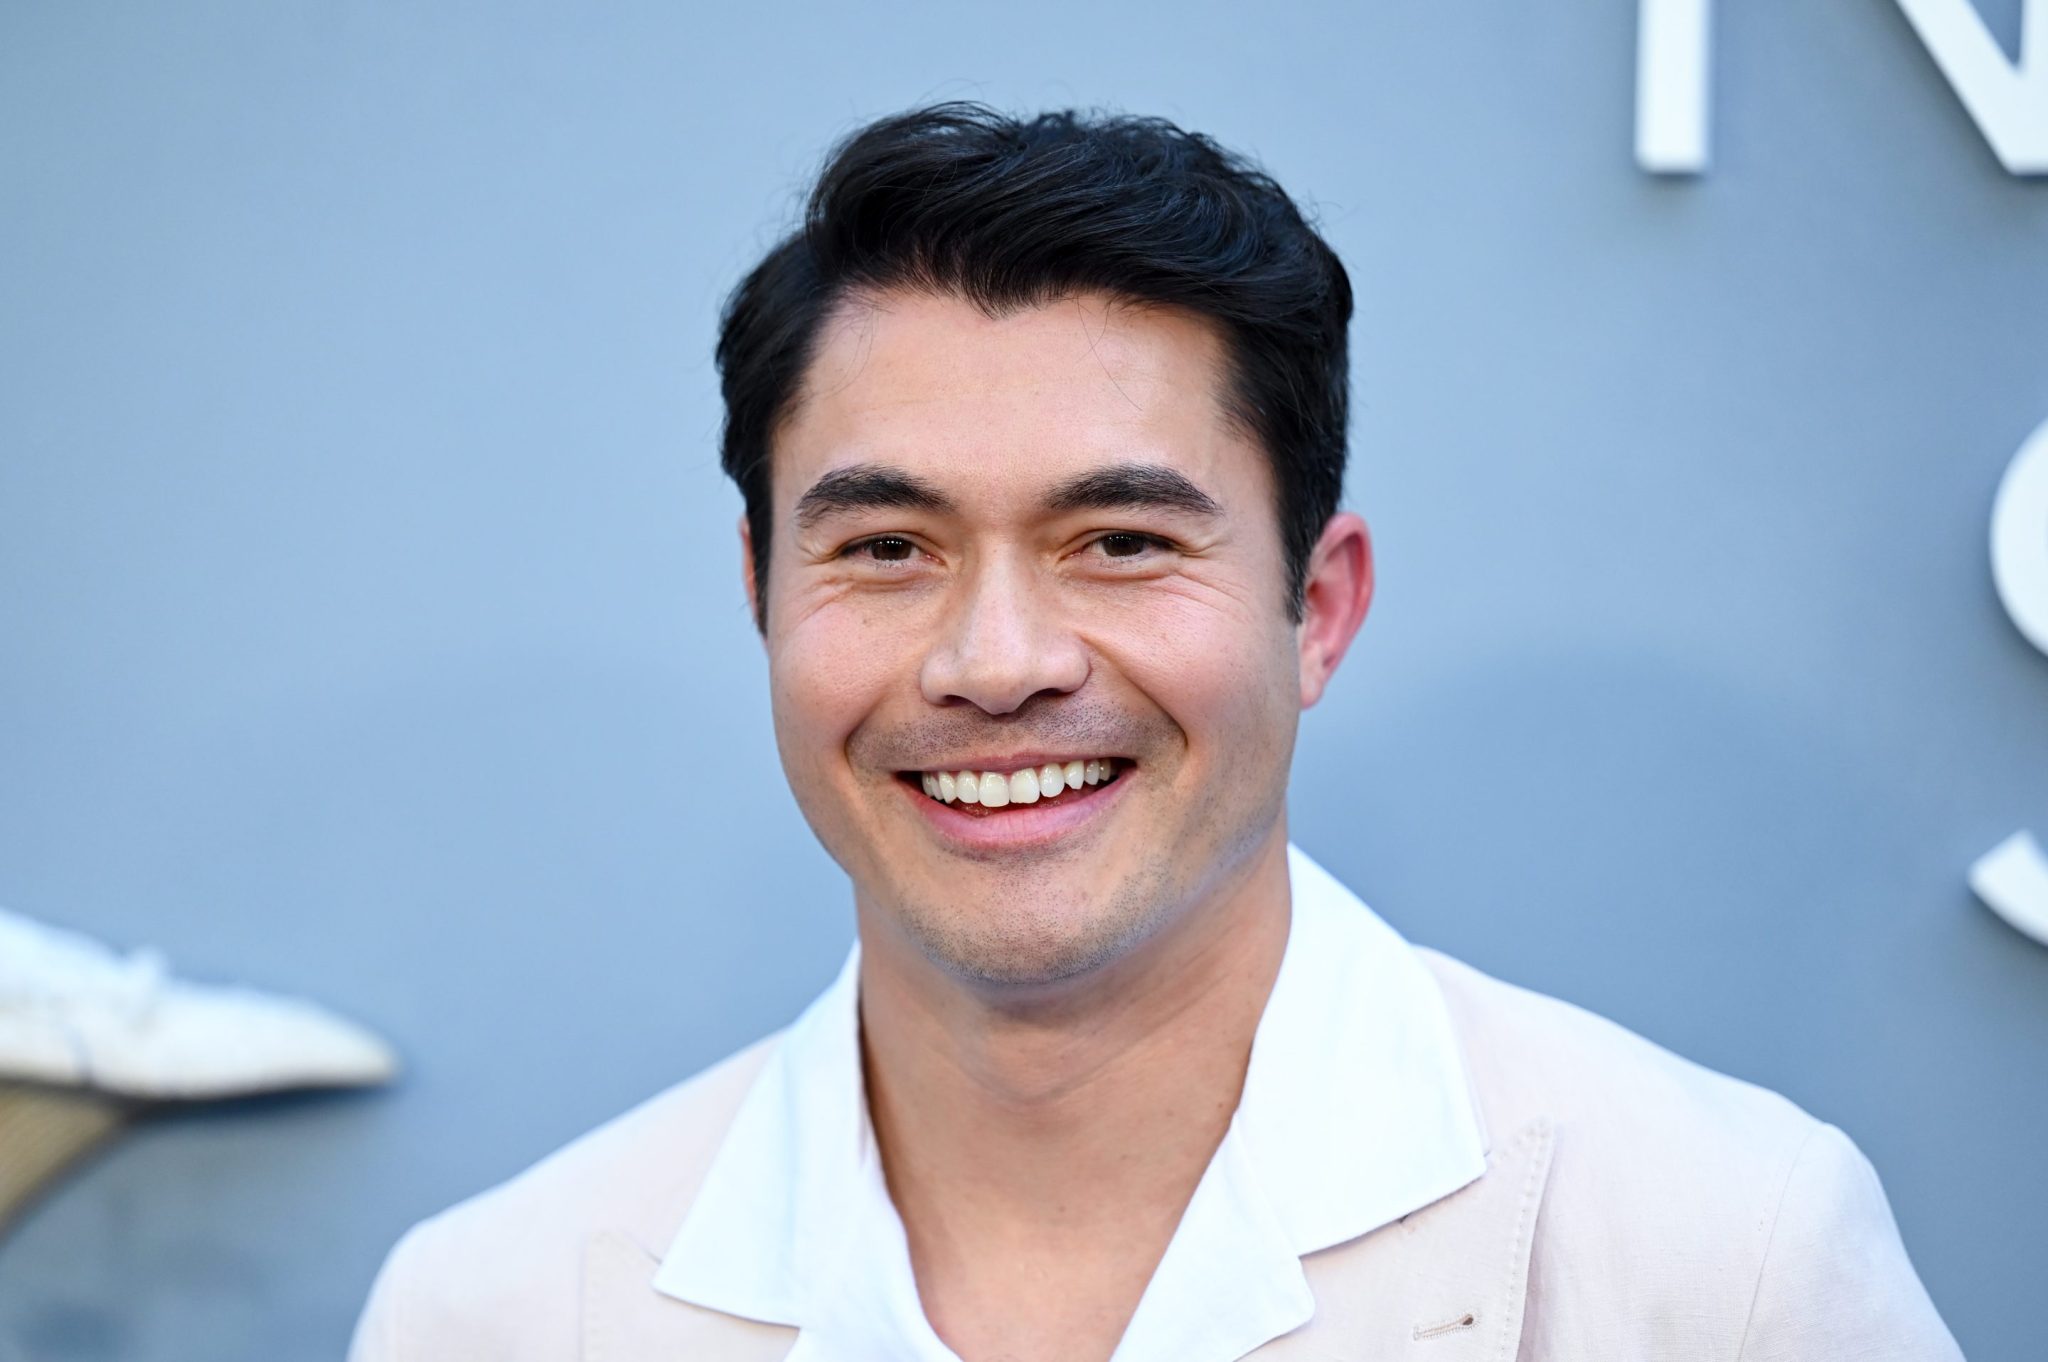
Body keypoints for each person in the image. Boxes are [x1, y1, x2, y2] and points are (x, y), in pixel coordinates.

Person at [346, 103, 1962, 1361]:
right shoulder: (492, 1310)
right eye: (887, 547)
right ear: (761, 592)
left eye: (1119, 541)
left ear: (1316, 608)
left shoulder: (1727, 1253)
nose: (996, 663)